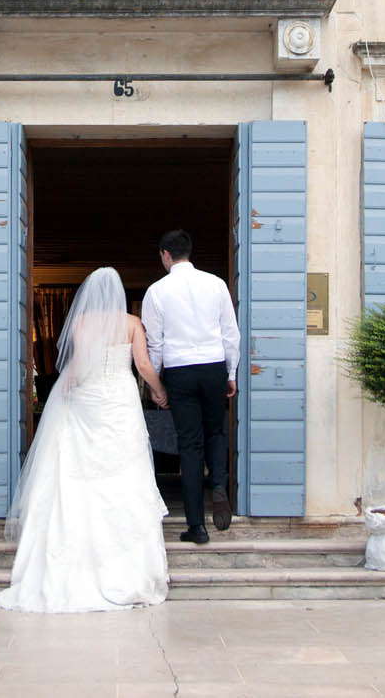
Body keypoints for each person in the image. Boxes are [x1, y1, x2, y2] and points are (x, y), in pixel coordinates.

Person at [0, 266, 170, 612]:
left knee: (79, 468)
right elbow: (144, 365)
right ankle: (126, 561)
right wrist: (160, 391)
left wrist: (65, 391)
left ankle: (76, 551)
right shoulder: (133, 323)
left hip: (89, 397)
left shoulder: (83, 322)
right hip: (120, 398)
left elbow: (75, 368)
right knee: (125, 468)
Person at [140, 229, 240, 544]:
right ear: (189, 252)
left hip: (180, 369)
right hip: (213, 366)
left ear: (165, 255)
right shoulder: (216, 284)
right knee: (216, 431)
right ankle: (220, 485)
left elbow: (155, 344)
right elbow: (230, 333)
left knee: (189, 445)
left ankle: (196, 526)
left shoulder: (156, 291)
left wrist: (155, 385)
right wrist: (231, 372)